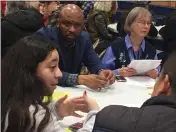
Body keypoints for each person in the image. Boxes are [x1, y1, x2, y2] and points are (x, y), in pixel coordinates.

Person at [2, 35, 100, 132]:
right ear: (29, 70)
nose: (59, 74)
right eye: (52, 67)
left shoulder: (9, 99)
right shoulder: (35, 116)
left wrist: (55, 111)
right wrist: (95, 115)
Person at [93, 52, 176, 132]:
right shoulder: (116, 47)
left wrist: (93, 112)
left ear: (164, 84)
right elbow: (102, 68)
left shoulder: (109, 118)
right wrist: (116, 72)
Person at [37, 4, 115, 89]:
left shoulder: (84, 38)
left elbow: (94, 63)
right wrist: (79, 79)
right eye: (67, 24)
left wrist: (102, 71)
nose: (72, 30)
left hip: (72, 91)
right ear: (58, 22)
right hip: (45, 89)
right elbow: (44, 73)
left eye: (77, 25)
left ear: (83, 25)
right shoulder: (44, 36)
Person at [102, 7, 160, 78]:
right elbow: (103, 73)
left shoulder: (151, 49)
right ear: (130, 24)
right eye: (142, 22)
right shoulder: (115, 47)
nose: (146, 26)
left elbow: (158, 72)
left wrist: (155, 73)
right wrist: (118, 72)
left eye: (148, 23)